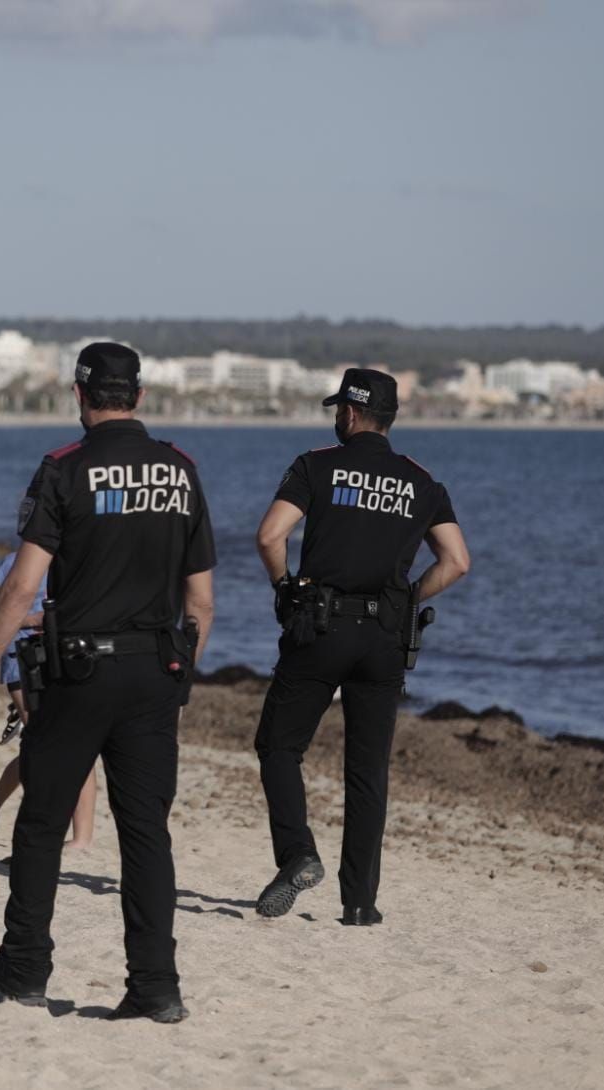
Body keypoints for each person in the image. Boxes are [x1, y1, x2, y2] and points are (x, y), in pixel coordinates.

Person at [0, 342, 215, 1024]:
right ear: (138, 395)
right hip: (156, 669)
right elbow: (202, 605)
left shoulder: (64, 470)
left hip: (77, 671)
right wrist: (179, 684)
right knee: (145, 835)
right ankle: (156, 986)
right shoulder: (181, 471)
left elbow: (21, 585)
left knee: (41, 822)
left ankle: (24, 970)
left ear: (79, 394)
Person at [251, 368, 470, 926]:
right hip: (385, 637)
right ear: (389, 418)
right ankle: (359, 903)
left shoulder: (316, 465)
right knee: (368, 771)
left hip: (320, 626)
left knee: (279, 746)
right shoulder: (422, 481)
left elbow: (270, 536)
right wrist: (410, 594)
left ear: (349, 414)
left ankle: (299, 852)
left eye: (337, 410)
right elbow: (457, 562)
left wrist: (284, 587)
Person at [0, 549, 98, 852]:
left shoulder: (80, 556)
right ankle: (34, 834)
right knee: (48, 744)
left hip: (65, 658)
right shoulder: (15, 562)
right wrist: (35, 619)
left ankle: (79, 838)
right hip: (21, 660)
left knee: (70, 743)